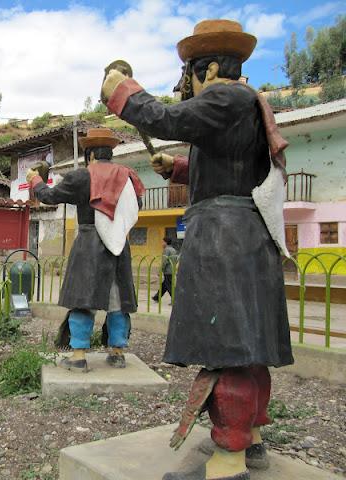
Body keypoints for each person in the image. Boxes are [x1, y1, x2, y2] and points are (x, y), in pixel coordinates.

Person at [101, 19, 293, 480]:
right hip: (245, 234)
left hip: (223, 240)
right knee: (248, 349)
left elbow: (168, 118)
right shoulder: (244, 102)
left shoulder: (225, 96)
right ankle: (253, 440)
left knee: (225, 349)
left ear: (205, 70)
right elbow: (232, 165)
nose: (185, 85)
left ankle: (227, 463)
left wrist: (122, 90)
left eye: (187, 75)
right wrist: (181, 167)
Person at [27, 128, 144, 371]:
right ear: (110, 153)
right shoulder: (129, 177)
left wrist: (35, 180)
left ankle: (79, 356)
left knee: (83, 300)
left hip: (89, 243)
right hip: (119, 245)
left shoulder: (82, 177)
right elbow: (136, 206)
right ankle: (117, 352)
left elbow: (49, 196)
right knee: (117, 301)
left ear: (90, 155)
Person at [153, 237, 178, 303]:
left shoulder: (166, 250)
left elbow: (164, 261)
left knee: (169, 286)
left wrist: (160, 270)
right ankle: (157, 297)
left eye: (163, 242)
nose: (162, 244)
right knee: (164, 285)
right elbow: (176, 259)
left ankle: (175, 300)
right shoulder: (173, 250)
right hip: (172, 269)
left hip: (167, 271)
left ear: (166, 243)